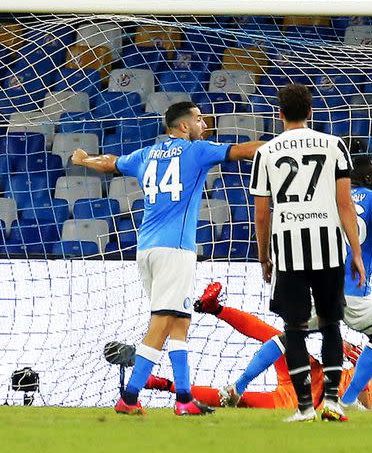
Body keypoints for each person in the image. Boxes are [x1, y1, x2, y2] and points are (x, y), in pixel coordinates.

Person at [217, 154, 372, 410]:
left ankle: (238, 386)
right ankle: (346, 402)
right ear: (368, 177)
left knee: (288, 337)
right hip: (355, 291)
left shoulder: (329, 199)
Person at [71, 101, 263, 416]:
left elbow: (112, 162)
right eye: (199, 119)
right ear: (184, 126)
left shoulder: (147, 154)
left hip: (147, 249)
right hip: (175, 250)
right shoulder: (197, 151)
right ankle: (130, 397)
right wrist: (283, 145)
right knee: (162, 324)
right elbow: (241, 150)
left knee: (179, 322)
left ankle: (184, 398)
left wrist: (85, 159)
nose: (204, 124)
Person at [249, 83, 366, 422]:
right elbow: (345, 205)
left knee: (295, 328)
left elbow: (261, 212)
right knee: (331, 324)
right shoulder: (334, 145)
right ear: (311, 112)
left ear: (280, 114)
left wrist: (264, 256)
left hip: (287, 252)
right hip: (328, 249)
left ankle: (303, 407)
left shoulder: (267, 152)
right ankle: (330, 400)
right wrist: (355, 253)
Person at [143, 283, 372, 412]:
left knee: (240, 401)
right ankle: (214, 308)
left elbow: (371, 409)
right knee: (279, 337)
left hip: (311, 403)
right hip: (315, 374)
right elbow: (350, 348)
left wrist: (360, 391)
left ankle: (164, 385)